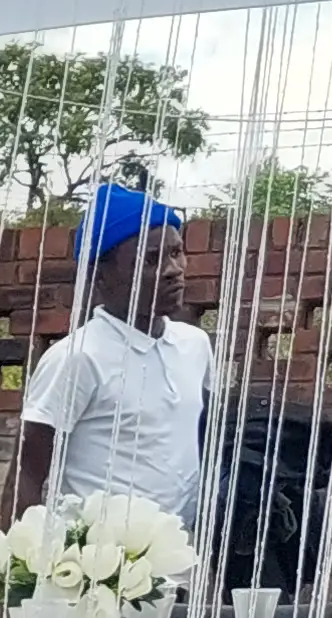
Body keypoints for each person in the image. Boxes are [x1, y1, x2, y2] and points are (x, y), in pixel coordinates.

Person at [15, 182, 212, 515]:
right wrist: (17, 561)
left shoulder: (195, 345)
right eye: (150, 260)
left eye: (176, 253)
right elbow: (28, 475)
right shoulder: (77, 357)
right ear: (100, 275)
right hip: (95, 562)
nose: (173, 271)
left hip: (180, 558)